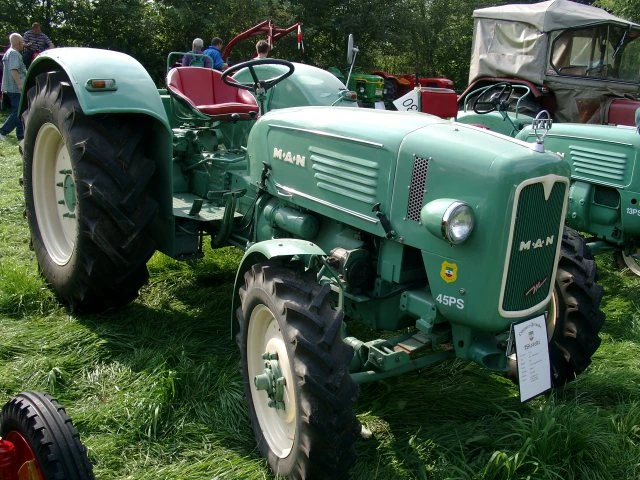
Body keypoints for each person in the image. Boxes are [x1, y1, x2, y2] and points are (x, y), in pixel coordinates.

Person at [0, 33, 26, 141]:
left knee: (20, 111)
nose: (23, 44)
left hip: (12, 87)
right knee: (18, 111)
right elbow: (13, 69)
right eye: (22, 42)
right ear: (18, 43)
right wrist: (20, 84)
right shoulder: (14, 53)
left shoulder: (10, 52)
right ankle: (2, 131)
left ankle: (21, 135)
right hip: (15, 88)